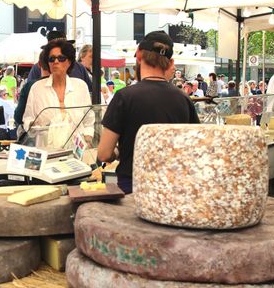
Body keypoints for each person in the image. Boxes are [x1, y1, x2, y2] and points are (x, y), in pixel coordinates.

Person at [98, 31, 199, 194]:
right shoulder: (184, 99)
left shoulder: (124, 97)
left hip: (132, 188)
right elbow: (194, 150)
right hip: (171, 189)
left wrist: (118, 153)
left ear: (138, 55)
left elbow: (104, 153)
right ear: (170, 62)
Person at [23, 39, 92, 132]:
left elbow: (89, 121)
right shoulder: (37, 88)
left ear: (69, 62)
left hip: (75, 145)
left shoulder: (80, 86)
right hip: (45, 145)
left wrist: (87, 138)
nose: (56, 61)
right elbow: (27, 119)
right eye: (51, 59)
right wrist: (32, 125)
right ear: (48, 63)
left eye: (61, 58)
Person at [27, 31, 92, 91]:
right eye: (52, 58)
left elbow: (90, 91)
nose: (56, 61)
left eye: (61, 57)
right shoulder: (39, 67)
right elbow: (29, 91)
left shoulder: (79, 67)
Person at [14, 51, 49, 128]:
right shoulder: (74, 86)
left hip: (37, 136)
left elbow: (19, 117)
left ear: (39, 64)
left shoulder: (30, 86)